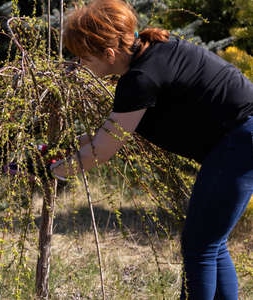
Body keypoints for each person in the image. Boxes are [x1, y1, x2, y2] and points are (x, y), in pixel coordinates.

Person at [49, 0, 253, 299]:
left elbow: (102, 151)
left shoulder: (140, 79)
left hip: (240, 140)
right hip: (240, 138)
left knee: (200, 247)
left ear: (108, 54)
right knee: (210, 243)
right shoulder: (155, 49)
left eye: (83, 58)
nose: (80, 66)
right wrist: (62, 148)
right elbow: (110, 131)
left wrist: (52, 170)